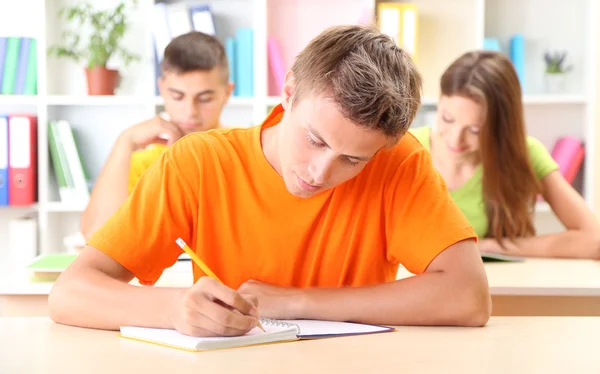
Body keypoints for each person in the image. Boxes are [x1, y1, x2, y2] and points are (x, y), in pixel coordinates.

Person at [50, 25, 491, 337]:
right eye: (315, 139)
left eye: (353, 160)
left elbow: (468, 296)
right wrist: (172, 309)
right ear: (288, 92)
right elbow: (70, 293)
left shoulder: (399, 162)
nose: (321, 173)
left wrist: (296, 301)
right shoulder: (199, 163)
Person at [409, 50, 600, 259]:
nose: (455, 139)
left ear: (502, 127)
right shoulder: (407, 148)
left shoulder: (526, 153)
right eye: (447, 118)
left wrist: (491, 246)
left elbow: (593, 239)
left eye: (475, 130)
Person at [79, 31, 234, 239]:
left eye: (205, 99)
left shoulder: (244, 153)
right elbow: (97, 237)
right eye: (177, 96)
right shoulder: (143, 163)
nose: (190, 111)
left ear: (227, 93)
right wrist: (125, 141)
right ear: (161, 88)